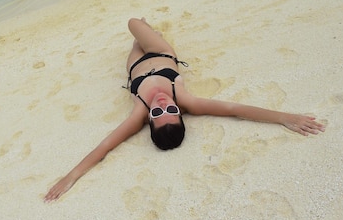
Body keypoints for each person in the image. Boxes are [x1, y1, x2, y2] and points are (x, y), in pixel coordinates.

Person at [44, 17, 325, 202]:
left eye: (157, 114)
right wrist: (284, 118)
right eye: (171, 112)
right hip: (161, 52)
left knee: (134, 38)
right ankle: (152, 32)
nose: (162, 106)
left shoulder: (138, 112)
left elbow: (105, 146)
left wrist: (71, 177)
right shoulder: (186, 99)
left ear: (149, 122)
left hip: (134, 69)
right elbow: (234, 108)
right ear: (180, 112)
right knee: (135, 23)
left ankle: (146, 32)